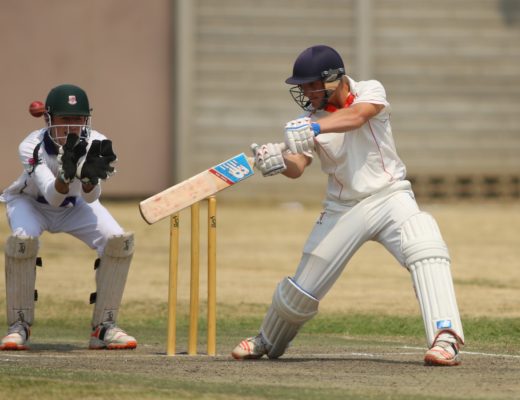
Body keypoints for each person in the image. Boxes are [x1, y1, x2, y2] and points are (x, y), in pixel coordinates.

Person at [231, 45, 464, 366]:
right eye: (301, 86)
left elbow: (357, 116)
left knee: (425, 244)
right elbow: (298, 167)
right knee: (303, 286)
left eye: (311, 85)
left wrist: (314, 127)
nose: (305, 92)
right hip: (343, 209)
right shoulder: (307, 120)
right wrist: (278, 162)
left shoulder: (369, 90)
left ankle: (446, 337)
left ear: (333, 79)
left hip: (390, 196)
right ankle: (267, 339)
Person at [0, 84, 136, 351]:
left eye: (78, 119)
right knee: (22, 243)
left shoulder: (97, 142)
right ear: (48, 118)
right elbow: (52, 196)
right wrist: (65, 175)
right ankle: (19, 326)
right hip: (31, 203)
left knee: (118, 241)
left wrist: (88, 179)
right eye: (65, 119)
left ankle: (104, 327)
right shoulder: (31, 146)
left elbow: (90, 198)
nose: (72, 127)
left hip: (75, 206)